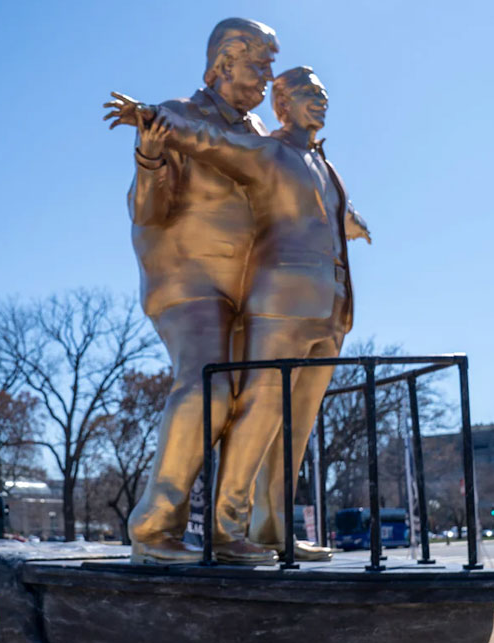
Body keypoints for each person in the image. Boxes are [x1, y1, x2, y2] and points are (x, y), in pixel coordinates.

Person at [116, 67, 371, 560]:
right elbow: (212, 142)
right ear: (282, 105)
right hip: (277, 301)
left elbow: (326, 209)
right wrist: (153, 119)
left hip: (332, 307)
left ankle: (272, 529)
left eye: (323, 93)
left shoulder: (323, 163)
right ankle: (222, 528)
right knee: (257, 408)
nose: (321, 100)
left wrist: (352, 221)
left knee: (294, 423)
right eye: (309, 93)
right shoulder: (268, 150)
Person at [103, 18, 280, 565]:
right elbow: (146, 212)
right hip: (189, 280)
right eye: (259, 63)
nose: (268, 76)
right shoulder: (175, 116)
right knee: (208, 386)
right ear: (226, 61)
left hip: (250, 288)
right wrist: (150, 157)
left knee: (257, 398)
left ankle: (231, 531)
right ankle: (154, 527)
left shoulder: (260, 132)